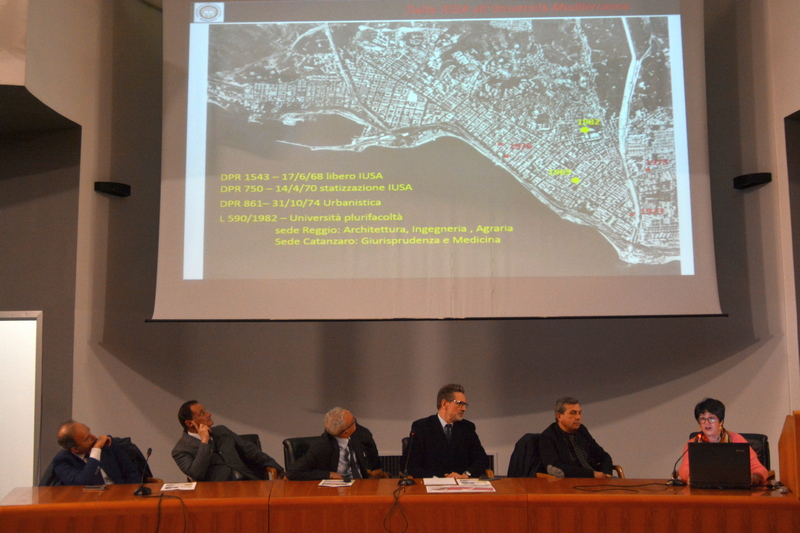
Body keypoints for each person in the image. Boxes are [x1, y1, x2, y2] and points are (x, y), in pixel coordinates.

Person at [172, 400, 285, 481]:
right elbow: (196, 474)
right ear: (189, 423)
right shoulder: (180, 450)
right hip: (218, 491)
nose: (208, 414)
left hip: (247, 481)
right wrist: (204, 442)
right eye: (202, 413)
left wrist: (279, 470)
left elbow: (250, 450)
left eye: (205, 411)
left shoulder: (221, 431)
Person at [406, 383, 489, 479]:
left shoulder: (467, 428)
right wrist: (435, 480)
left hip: (461, 483)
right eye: (460, 404)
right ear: (444, 403)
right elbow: (410, 464)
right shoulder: (421, 427)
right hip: (432, 484)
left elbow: (482, 460)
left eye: (465, 405)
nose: (464, 409)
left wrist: (466, 475)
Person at [677, 398, 768, 484]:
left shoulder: (736, 439)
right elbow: (684, 470)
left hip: (734, 491)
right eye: (702, 419)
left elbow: (760, 469)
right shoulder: (693, 443)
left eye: (712, 418)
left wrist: (751, 478)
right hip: (702, 491)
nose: (707, 422)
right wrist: (694, 477)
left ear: (721, 422)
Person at [287, 407, 384, 480]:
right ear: (345, 433)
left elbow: (369, 443)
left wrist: (375, 467)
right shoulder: (321, 447)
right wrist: (328, 474)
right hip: (336, 489)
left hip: (362, 484)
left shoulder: (358, 431)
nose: (356, 419)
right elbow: (293, 473)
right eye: (353, 420)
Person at [539, 397, 614, 478]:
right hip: (572, 480)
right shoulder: (548, 437)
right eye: (573, 413)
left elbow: (604, 456)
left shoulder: (581, 430)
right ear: (559, 416)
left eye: (579, 413)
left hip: (595, 478)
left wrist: (607, 473)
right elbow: (555, 467)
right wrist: (591, 474)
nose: (578, 417)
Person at [52, 420, 140, 486]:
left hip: (120, 495)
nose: (94, 437)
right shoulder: (62, 461)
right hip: (91, 501)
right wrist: (96, 449)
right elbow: (85, 481)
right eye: (87, 438)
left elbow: (131, 473)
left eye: (89, 432)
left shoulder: (107, 444)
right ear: (75, 450)